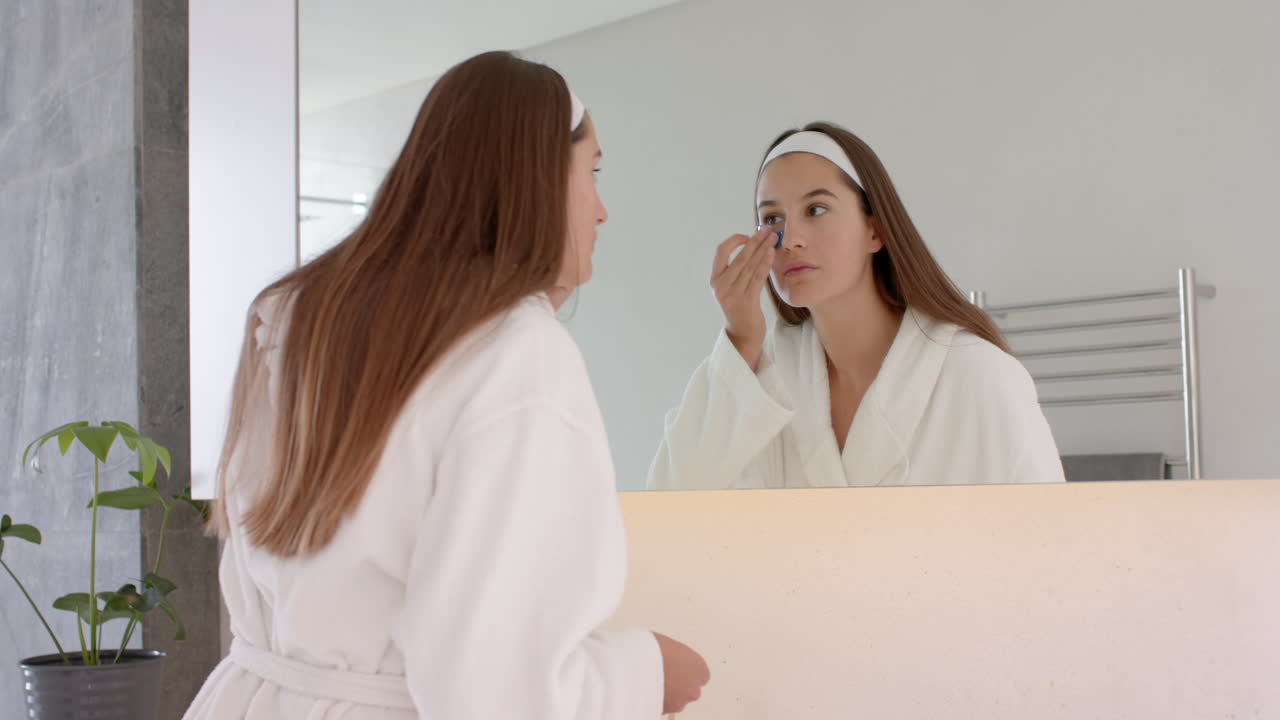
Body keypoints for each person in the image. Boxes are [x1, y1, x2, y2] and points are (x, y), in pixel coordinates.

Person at [185, 51, 709, 719]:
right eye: (593, 172)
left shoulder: (298, 314)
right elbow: (494, 687)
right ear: (539, 177)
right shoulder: (514, 350)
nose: (602, 210)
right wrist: (639, 677)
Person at [648, 122, 1064, 490]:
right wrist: (741, 338)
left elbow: (1047, 547)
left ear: (875, 231)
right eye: (772, 219)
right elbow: (674, 504)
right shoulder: (767, 377)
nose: (790, 238)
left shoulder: (976, 374)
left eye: (816, 209)